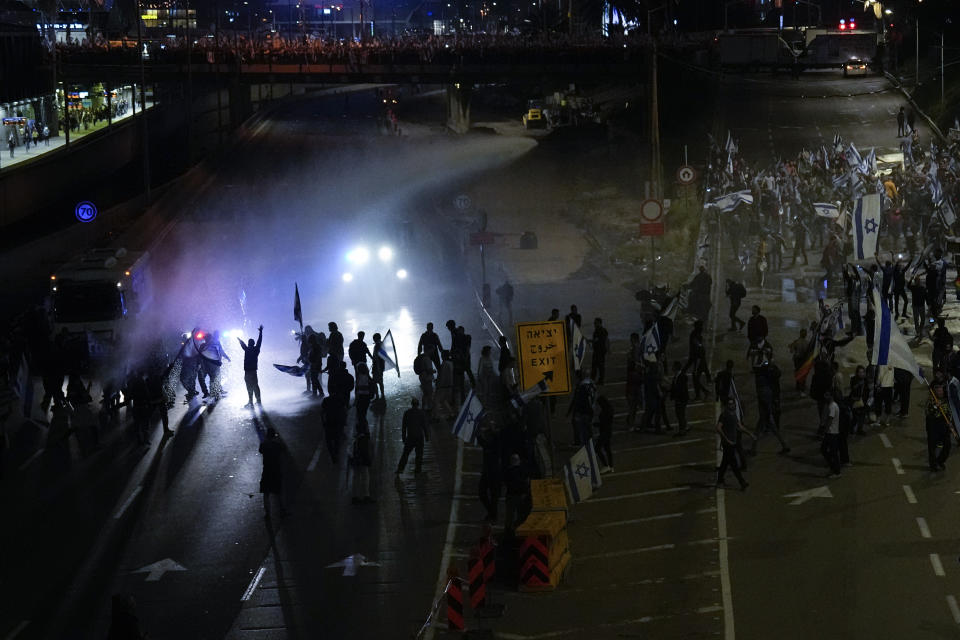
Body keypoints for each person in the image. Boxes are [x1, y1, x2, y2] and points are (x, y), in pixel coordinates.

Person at [716, 398, 750, 490]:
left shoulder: (733, 414)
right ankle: (742, 482)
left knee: (724, 463)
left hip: (732, 443)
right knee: (734, 464)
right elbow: (718, 428)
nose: (732, 405)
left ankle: (720, 481)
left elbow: (739, 426)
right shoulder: (724, 415)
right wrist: (727, 439)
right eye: (730, 404)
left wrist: (750, 434)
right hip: (728, 445)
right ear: (727, 406)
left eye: (733, 404)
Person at [396, 397, 428, 475]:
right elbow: (424, 426)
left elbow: (404, 427)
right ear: (418, 404)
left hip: (410, 437)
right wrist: (427, 436)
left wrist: (404, 438)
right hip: (419, 437)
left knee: (405, 454)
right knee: (419, 455)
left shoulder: (407, 413)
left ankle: (400, 469)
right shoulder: (421, 413)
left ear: (412, 404)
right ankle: (418, 470)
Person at [259, 427, 286, 517]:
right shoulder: (277, 445)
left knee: (266, 493)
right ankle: (282, 511)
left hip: (266, 470)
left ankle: (267, 513)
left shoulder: (263, 445)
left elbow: (261, 450)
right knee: (278, 492)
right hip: (276, 470)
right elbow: (283, 450)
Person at [477, 426, 502, 521]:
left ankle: (493, 515)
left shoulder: (495, 446)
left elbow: (484, 443)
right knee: (482, 493)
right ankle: (492, 512)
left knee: (494, 497)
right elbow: (483, 443)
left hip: (494, 475)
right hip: (487, 473)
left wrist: (479, 435)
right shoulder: (490, 444)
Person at [926, 383, 952, 472]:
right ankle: (933, 465)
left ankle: (940, 461)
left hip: (944, 425)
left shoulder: (945, 400)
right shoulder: (931, 400)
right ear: (935, 391)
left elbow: (949, 412)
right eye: (938, 390)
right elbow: (928, 413)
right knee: (932, 446)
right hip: (933, 425)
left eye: (941, 390)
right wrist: (935, 406)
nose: (940, 392)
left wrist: (950, 422)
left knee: (948, 445)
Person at [503, 453, 531, 535]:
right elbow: (527, 481)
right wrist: (525, 492)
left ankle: (508, 532)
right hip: (521, 496)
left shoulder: (508, 471)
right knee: (521, 515)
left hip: (511, 496)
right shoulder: (523, 470)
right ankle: (517, 530)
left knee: (509, 516)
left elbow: (505, 483)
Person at [199, 330, 231, 398]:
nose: (206, 339)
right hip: (205, 366)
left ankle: (214, 392)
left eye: (208, 338)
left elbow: (220, 351)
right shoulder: (203, 345)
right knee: (203, 378)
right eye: (206, 338)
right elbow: (199, 355)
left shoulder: (215, 343)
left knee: (214, 379)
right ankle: (207, 392)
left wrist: (225, 357)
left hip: (213, 365)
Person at [684, 320, 711, 400]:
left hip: (698, 361)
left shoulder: (695, 336)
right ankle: (700, 393)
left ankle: (702, 393)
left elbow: (695, 352)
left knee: (695, 378)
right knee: (695, 377)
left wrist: (687, 366)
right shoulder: (697, 335)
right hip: (698, 360)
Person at [568, 370, 596, 444]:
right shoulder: (592, 383)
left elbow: (577, 399)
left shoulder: (581, 386)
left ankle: (579, 441)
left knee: (579, 426)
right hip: (590, 409)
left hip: (583, 410)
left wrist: (571, 410)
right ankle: (590, 441)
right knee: (588, 426)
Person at [238, 325, 263, 406]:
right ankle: (257, 401)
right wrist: (260, 332)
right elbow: (259, 341)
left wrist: (240, 340)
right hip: (252, 371)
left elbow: (243, 345)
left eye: (249, 342)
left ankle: (251, 401)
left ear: (250, 343)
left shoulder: (248, 349)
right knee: (255, 386)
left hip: (248, 371)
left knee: (250, 387)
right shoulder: (255, 349)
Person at [349, 427, 374, 504]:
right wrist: (368, 461)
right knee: (365, 478)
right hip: (362, 462)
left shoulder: (355, 439)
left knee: (356, 478)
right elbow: (365, 452)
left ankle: (355, 497)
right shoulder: (363, 439)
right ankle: (366, 496)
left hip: (356, 461)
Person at [321, 394, 347, 463]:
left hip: (329, 422)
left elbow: (322, 412)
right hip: (338, 422)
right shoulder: (340, 399)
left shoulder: (326, 400)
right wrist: (344, 421)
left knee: (328, 440)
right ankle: (336, 454)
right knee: (337, 440)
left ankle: (332, 454)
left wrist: (323, 422)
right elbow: (344, 411)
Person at [821, 391, 842, 478]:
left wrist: (824, 430)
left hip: (832, 433)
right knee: (827, 451)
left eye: (827, 395)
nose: (825, 397)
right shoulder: (832, 405)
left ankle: (836, 472)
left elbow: (830, 419)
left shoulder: (833, 406)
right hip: (831, 432)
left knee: (831, 452)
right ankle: (833, 468)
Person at [595, 394, 614, 473]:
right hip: (608, 431)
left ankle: (605, 465)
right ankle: (611, 466)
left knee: (597, 448)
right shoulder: (610, 409)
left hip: (604, 432)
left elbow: (604, 423)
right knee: (607, 449)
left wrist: (596, 424)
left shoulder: (605, 411)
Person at [671, 362, 690, 436]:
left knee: (680, 414)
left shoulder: (681, 376)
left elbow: (680, 389)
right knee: (680, 414)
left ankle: (682, 430)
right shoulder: (677, 376)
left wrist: (677, 397)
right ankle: (684, 428)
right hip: (680, 398)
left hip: (681, 399)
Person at [590, 317, 609, 385]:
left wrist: (590, 341)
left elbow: (597, 340)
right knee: (600, 366)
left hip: (599, 351)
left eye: (595, 323)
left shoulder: (598, 331)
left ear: (599, 323)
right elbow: (606, 340)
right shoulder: (602, 330)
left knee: (596, 366)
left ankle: (595, 380)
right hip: (601, 350)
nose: (594, 324)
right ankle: (600, 380)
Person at [353, 362, 373, 430]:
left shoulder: (360, 378)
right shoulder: (369, 377)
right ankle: (365, 429)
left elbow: (359, 390)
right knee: (363, 414)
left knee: (360, 415)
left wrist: (356, 400)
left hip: (361, 398)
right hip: (367, 398)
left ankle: (362, 430)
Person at [370, 333, 386, 400]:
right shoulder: (382, 345)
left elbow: (376, 357)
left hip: (377, 366)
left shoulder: (377, 346)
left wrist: (378, 368)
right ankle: (382, 395)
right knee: (380, 381)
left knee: (375, 382)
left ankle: (377, 396)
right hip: (381, 365)